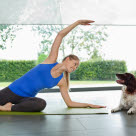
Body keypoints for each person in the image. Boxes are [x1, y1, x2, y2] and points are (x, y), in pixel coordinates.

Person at [0, 20, 106, 112]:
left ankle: (8, 108)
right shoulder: (51, 60)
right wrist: (77, 23)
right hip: (10, 91)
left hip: (26, 99)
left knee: (41, 104)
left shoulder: (62, 82)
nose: (74, 68)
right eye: (75, 64)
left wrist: (88, 105)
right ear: (67, 59)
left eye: (76, 67)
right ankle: (7, 106)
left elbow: (69, 103)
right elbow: (60, 35)